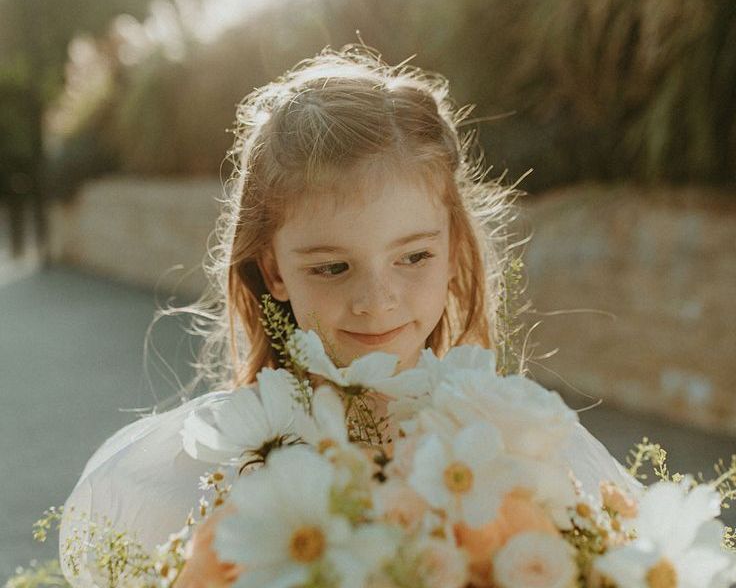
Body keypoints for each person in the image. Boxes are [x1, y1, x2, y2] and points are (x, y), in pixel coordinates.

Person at [59, 46, 635, 587]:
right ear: (275, 271)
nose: (377, 301)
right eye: (333, 267)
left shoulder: (534, 454)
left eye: (413, 256)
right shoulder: (180, 484)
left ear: (454, 246)